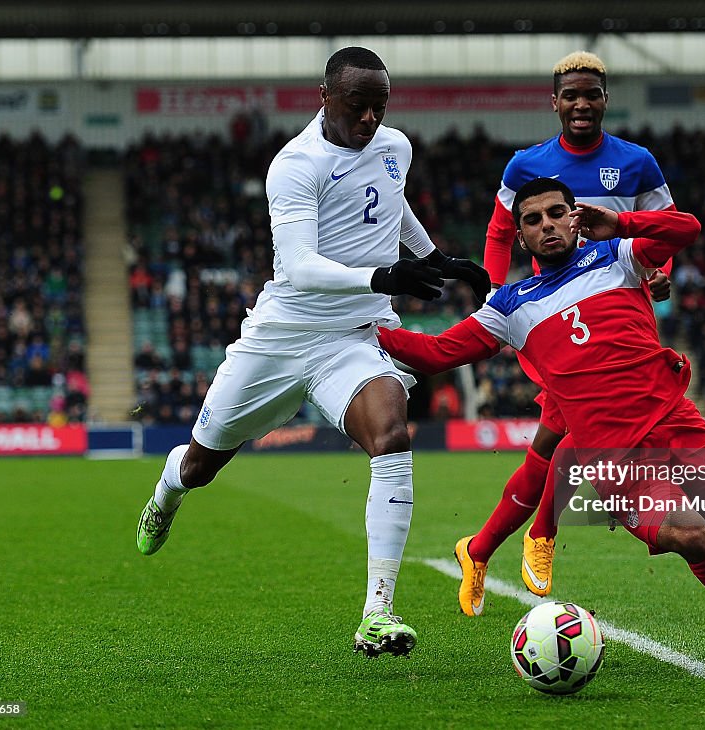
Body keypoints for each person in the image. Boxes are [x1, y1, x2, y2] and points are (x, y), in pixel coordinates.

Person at [377, 177, 705, 675]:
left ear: (574, 216)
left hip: (682, 432)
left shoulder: (616, 257)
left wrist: (621, 222)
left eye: (556, 213)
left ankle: (512, 540)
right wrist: (363, 323)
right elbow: (435, 352)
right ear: (520, 237)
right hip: (619, 463)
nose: (547, 225)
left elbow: (687, 229)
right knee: (692, 536)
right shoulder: (509, 307)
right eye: (532, 220)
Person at [134, 47, 490, 659]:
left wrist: (429, 256)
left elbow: (391, 200)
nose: (371, 119)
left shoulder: (395, 146)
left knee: (392, 435)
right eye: (358, 106)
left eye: (380, 106)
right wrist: (385, 275)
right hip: (281, 337)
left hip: (352, 337)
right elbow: (298, 268)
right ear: (323, 96)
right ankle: (168, 490)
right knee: (201, 466)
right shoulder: (294, 165)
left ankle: (379, 613)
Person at [460, 51, 675, 616]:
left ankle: (482, 548)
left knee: (552, 443)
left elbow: (663, 230)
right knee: (570, 434)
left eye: (591, 94)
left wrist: (660, 273)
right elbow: (499, 232)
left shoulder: (638, 164)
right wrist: (492, 293)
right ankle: (539, 533)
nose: (581, 104)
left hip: (620, 319)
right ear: (554, 102)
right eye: (570, 95)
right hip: (556, 323)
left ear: (605, 99)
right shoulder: (524, 166)